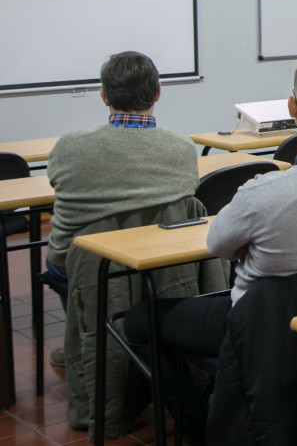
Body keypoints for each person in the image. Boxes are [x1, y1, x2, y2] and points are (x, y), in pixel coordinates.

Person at [124, 54, 297, 434]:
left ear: (292, 108)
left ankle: (197, 424)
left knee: (137, 321)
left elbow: (217, 244)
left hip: (262, 334)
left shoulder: (262, 194)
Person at [46, 51, 198, 338]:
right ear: (158, 92)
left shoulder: (68, 149)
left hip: (82, 267)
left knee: (60, 263)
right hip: (159, 263)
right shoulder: (184, 149)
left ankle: (81, 339)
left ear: (104, 96)